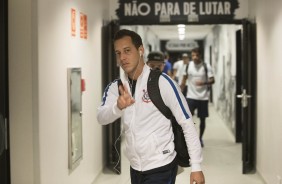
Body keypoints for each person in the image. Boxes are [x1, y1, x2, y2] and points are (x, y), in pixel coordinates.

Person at [96, 29, 205, 184]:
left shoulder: (163, 82)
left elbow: (186, 122)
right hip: (135, 167)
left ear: (140, 50)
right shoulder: (116, 87)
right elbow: (101, 117)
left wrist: (196, 166)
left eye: (127, 51)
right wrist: (117, 107)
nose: (122, 58)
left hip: (161, 165)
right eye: (118, 53)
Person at [181, 48, 215, 147]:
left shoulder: (206, 66)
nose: (194, 57)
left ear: (200, 56)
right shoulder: (188, 66)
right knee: (188, 119)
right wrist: (179, 92)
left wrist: (204, 83)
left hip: (203, 97)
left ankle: (200, 138)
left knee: (202, 119)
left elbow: (212, 80)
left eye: (196, 55)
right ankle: (191, 138)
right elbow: (184, 80)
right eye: (193, 56)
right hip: (191, 96)